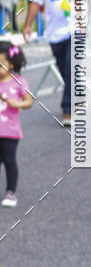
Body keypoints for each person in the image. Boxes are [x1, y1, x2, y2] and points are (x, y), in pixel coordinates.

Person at [23, 0, 73, 126]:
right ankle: (79, 98)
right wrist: (28, 25)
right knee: (64, 69)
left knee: (71, 68)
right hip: (55, 31)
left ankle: (68, 109)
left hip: (78, 29)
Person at [0, 41, 33, 208]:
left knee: (8, 160)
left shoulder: (18, 81)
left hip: (10, 131)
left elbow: (29, 102)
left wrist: (17, 104)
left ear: (11, 64)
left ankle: (11, 192)